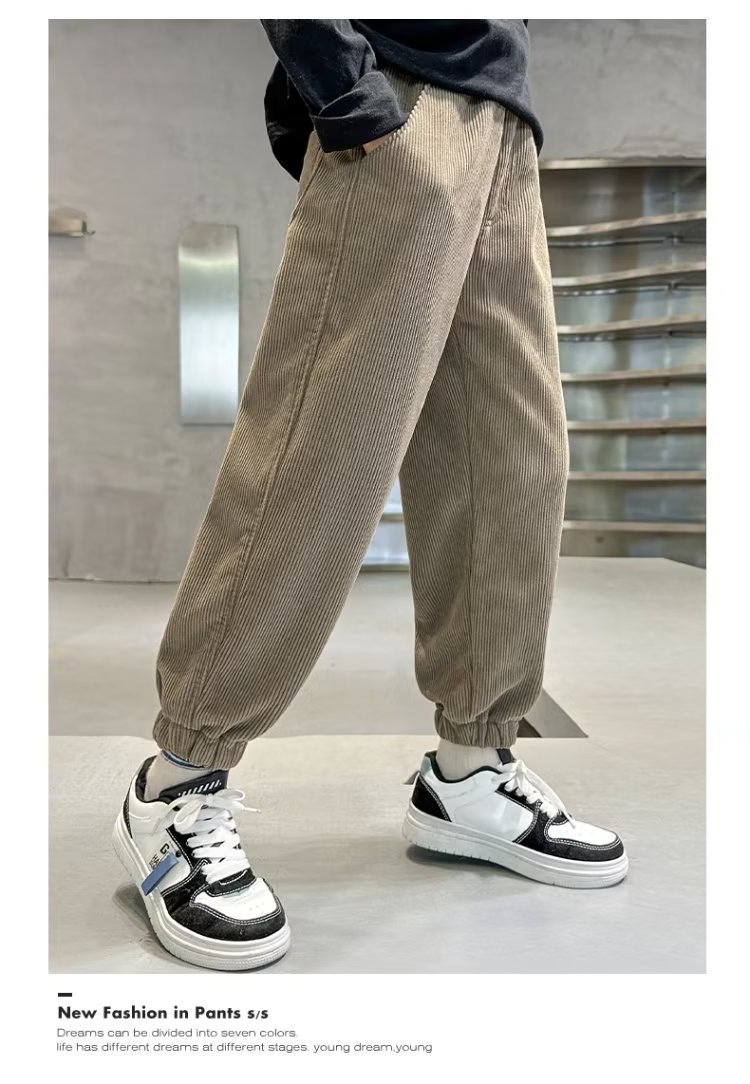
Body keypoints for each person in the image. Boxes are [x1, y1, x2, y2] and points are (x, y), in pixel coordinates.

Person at [113, 19, 627, 973]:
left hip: (505, 121)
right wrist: (340, 81)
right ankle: (176, 779)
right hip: (399, 96)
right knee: (325, 448)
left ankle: (470, 770)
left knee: (512, 460)